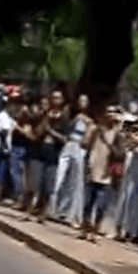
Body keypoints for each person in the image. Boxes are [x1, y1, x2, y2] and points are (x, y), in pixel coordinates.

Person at [80, 106, 124, 240]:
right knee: (88, 203)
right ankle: (85, 229)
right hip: (93, 169)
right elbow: (87, 146)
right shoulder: (96, 130)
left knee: (101, 205)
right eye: (108, 114)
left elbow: (120, 154)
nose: (110, 117)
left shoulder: (118, 135)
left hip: (106, 174)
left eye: (113, 115)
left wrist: (108, 141)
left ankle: (95, 230)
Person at [51, 93, 91, 224]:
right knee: (60, 177)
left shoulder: (88, 120)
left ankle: (69, 213)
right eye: (80, 100)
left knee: (74, 181)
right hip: (69, 145)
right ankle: (55, 208)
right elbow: (65, 129)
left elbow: (88, 136)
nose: (81, 103)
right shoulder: (71, 115)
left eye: (84, 101)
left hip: (79, 148)